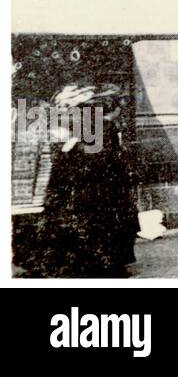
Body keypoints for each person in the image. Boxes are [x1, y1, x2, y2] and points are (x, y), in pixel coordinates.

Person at [39, 84, 138, 277]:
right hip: (101, 189)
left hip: (93, 189)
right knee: (104, 228)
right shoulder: (100, 128)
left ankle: (99, 265)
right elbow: (105, 158)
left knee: (96, 228)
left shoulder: (83, 130)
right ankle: (106, 266)